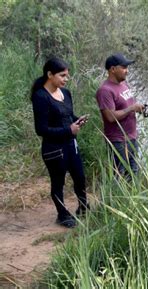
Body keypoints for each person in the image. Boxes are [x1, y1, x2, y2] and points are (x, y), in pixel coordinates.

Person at [31, 57, 89, 228]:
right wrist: (68, 130)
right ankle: (62, 214)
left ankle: (83, 207)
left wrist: (78, 121)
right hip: (54, 149)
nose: (66, 78)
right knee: (58, 182)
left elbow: (67, 116)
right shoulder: (40, 97)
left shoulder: (66, 93)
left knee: (80, 177)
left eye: (67, 75)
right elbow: (41, 129)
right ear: (50, 74)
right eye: (62, 75)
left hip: (71, 144)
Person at [95, 53, 144, 177]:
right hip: (118, 142)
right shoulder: (105, 90)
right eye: (124, 67)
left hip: (131, 138)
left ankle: (131, 197)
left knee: (133, 174)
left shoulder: (123, 85)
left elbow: (128, 106)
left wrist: (140, 110)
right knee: (118, 176)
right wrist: (132, 108)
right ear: (112, 69)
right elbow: (110, 117)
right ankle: (114, 196)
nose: (127, 71)